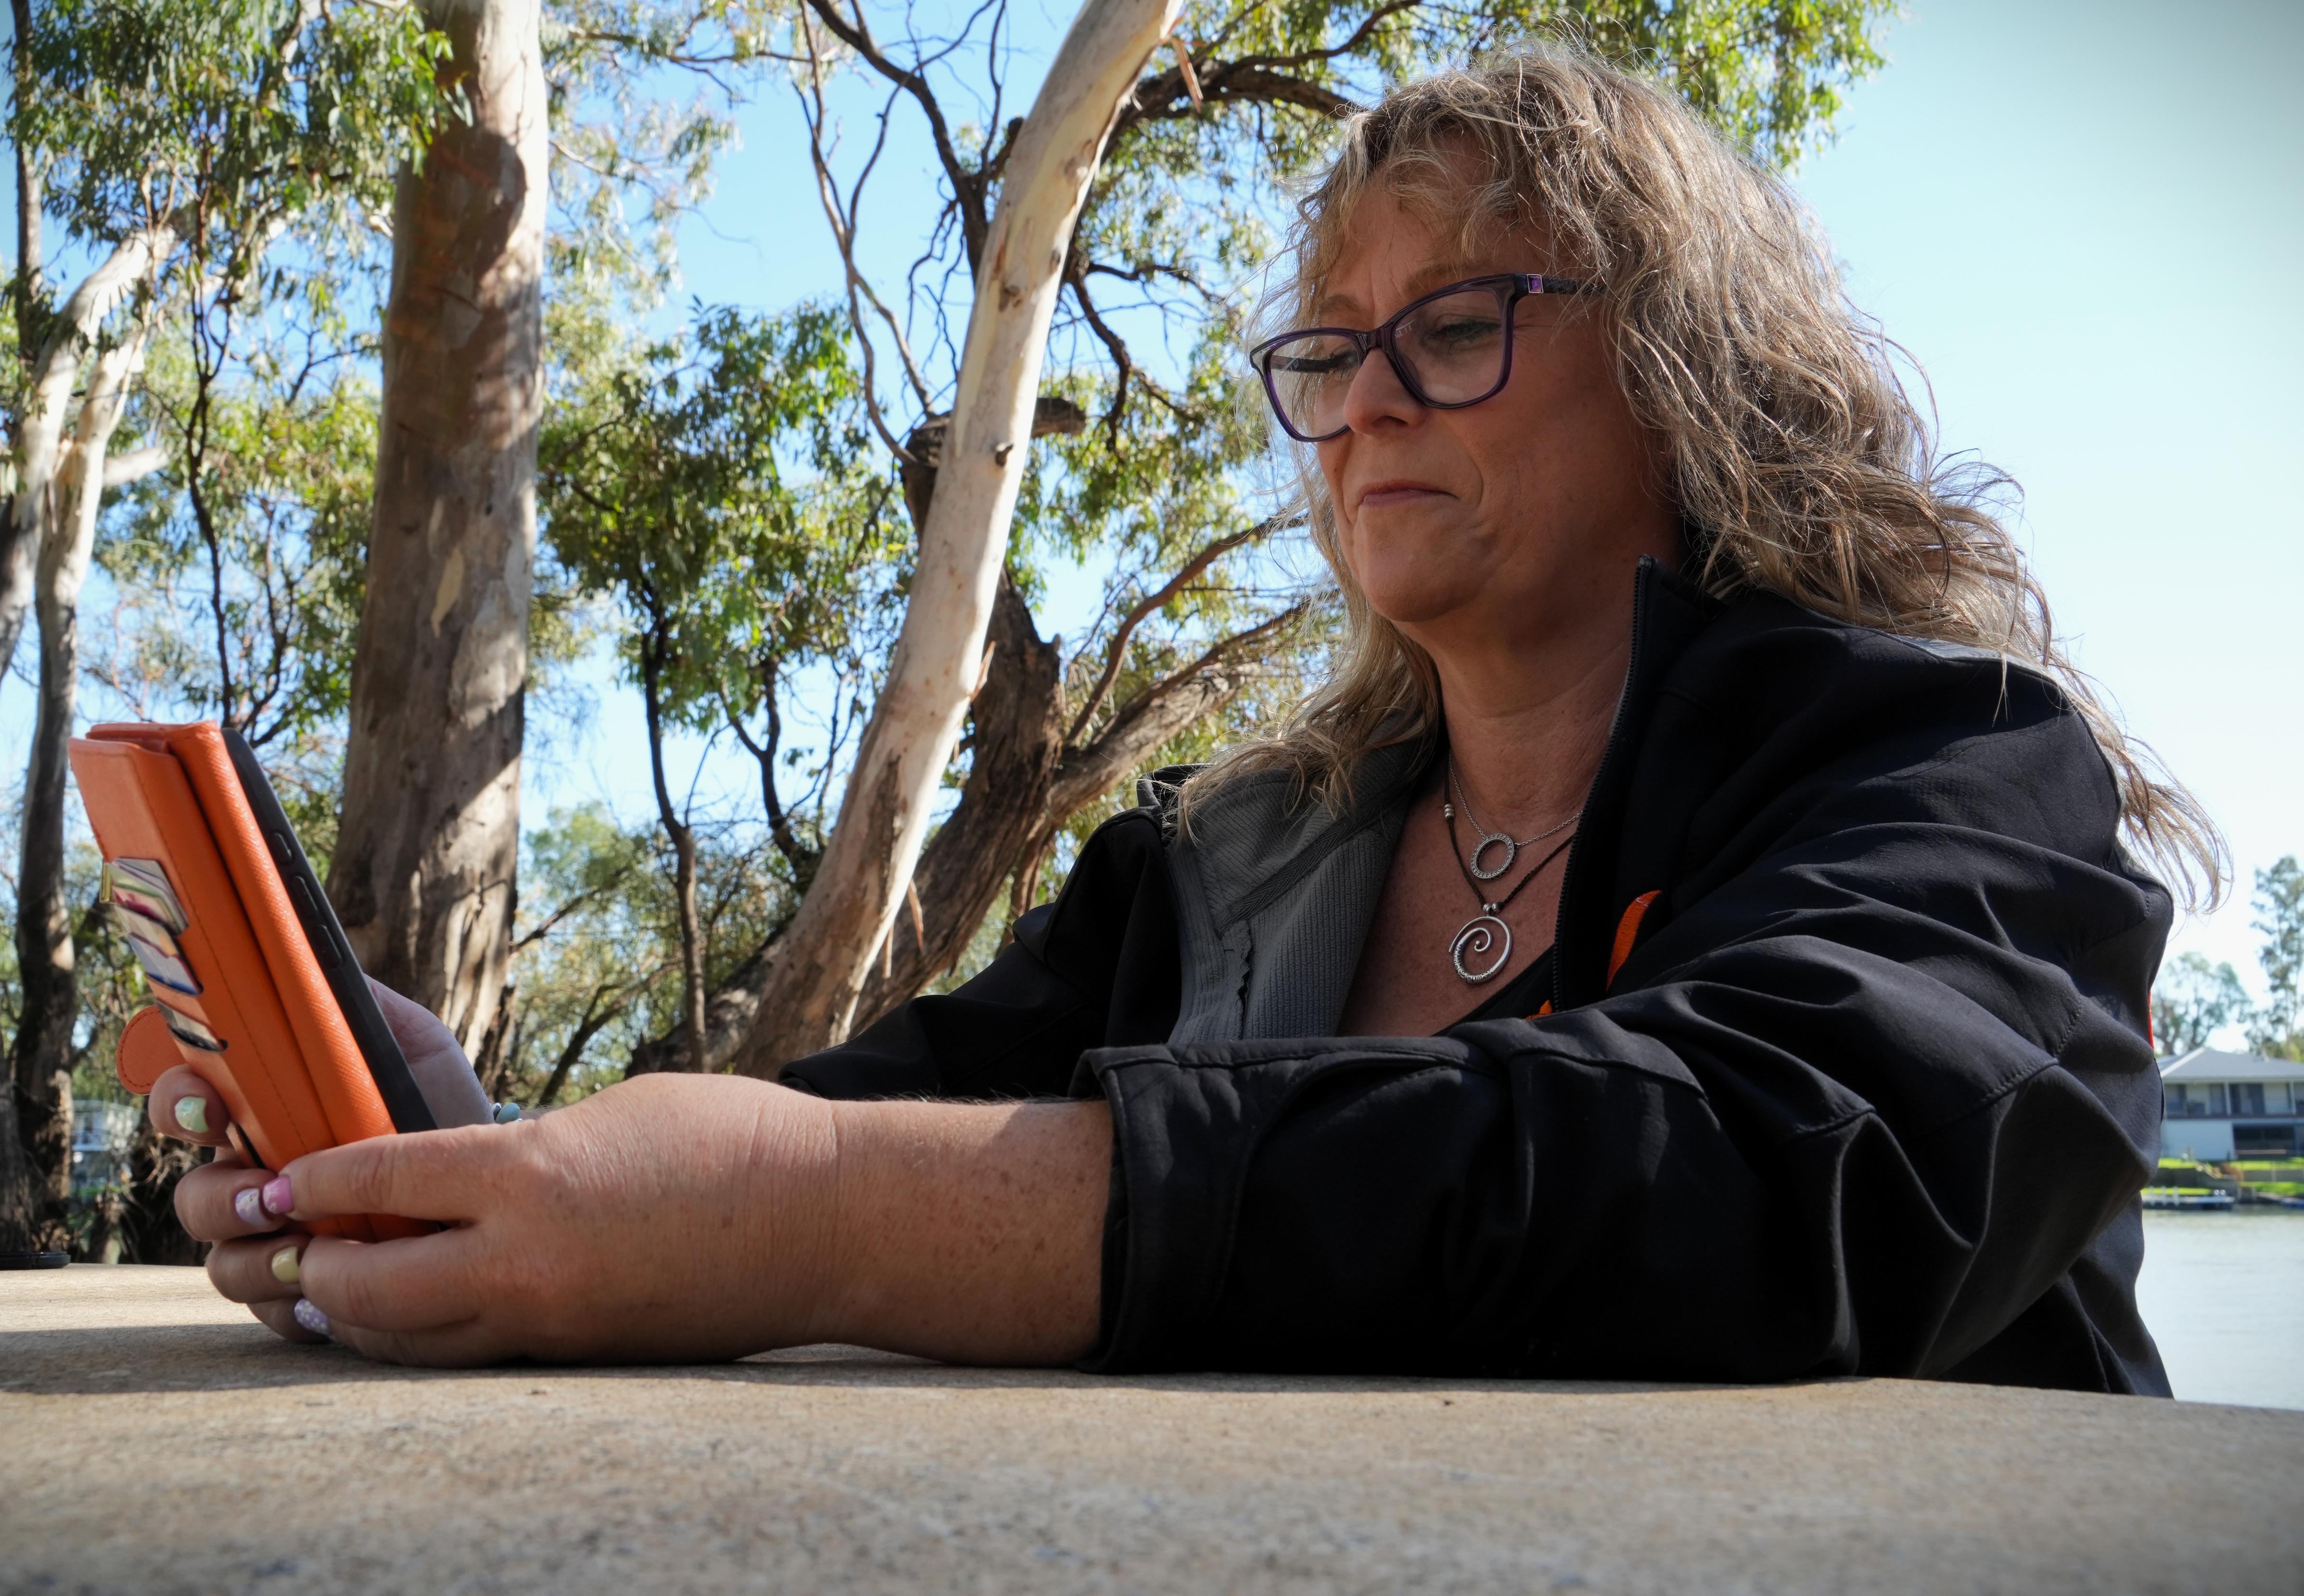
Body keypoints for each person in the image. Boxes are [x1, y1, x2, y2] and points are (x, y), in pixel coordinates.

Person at [142, 45, 2213, 1391]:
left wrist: (806, 1214)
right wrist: (465, 1162)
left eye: (1457, 326)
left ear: (1690, 372)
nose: (1368, 401)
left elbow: (1776, 1178)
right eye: (1327, 350)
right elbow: (864, 1122)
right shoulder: (1218, 868)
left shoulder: (1945, 768)